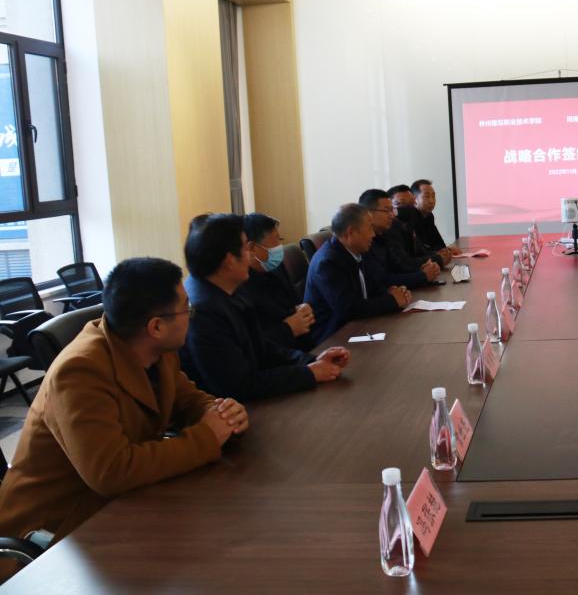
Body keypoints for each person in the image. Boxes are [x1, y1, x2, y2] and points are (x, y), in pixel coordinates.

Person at [0, 257, 247, 577]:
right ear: (156, 327)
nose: (190, 315)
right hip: (53, 535)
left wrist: (221, 412)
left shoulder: (155, 351)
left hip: (117, 507)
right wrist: (207, 437)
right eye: (186, 309)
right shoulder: (79, 371)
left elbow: (187, 399)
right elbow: (111, 471)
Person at [181, 214, 349, 402]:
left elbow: (262, 347)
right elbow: (240, 386)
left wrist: (311, 361)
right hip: (233, 408)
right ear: (229, 261)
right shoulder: (203, 311)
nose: (250, 256)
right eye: (246, 249)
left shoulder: (228, 286)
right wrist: (308, 373)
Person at [305, 203, 413, 344]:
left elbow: (372, 286)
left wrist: (389, 292)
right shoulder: (328, 262)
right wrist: (392, 300)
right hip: (333, 337)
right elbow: (349, 309)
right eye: (369, 228)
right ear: (351, 232)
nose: (373, 234)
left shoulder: (355, 251)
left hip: (358, 327)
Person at [238, 213, 316, 351]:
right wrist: (288, 329)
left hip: (304, 347)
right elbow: (252, 344)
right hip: (278, 354)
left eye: (280, 239)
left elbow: (293, 304)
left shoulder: (276, 267)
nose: (280, 246)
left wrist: (302, 309)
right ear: (252, 248)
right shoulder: (240, 285)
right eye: (276, 240)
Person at [360, 188, 441, 285]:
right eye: (387, 210)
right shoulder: (363, 242)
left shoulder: (382, 235)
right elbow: (381, 280)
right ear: (369, 213)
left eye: (392, 210)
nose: (392, 215)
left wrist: (421, 269)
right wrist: (422, 275)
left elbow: (398, 267)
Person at [406, 179, 461, 258]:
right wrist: (438, 252)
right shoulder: (410, 217)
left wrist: (447, 249)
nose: (432, 201)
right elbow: (420, 249)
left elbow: (439, 243)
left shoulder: (429, 216)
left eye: (433, 196)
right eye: (427, 196)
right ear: (414, 199)